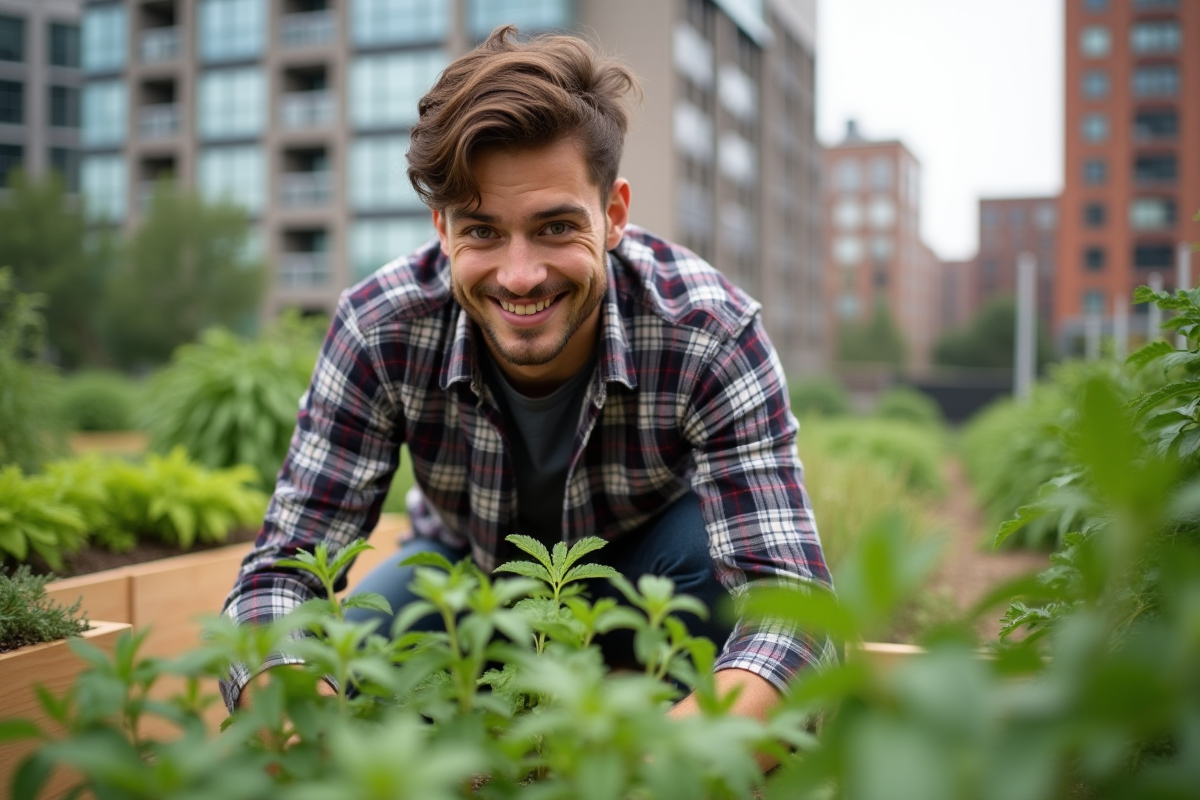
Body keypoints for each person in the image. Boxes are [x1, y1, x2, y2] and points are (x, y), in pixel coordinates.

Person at [220, 25, 835, 726]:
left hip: (650, 573)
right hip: (467, 575)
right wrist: (306, 724)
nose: (520, 276)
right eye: (481, 231)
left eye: (554, 228)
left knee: (711, 574)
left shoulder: (708, 331)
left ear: (614, 216)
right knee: (363, 659)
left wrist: (670, 764)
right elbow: (282, 573)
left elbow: (795, 611)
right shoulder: (379, 327)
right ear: (442, 229)